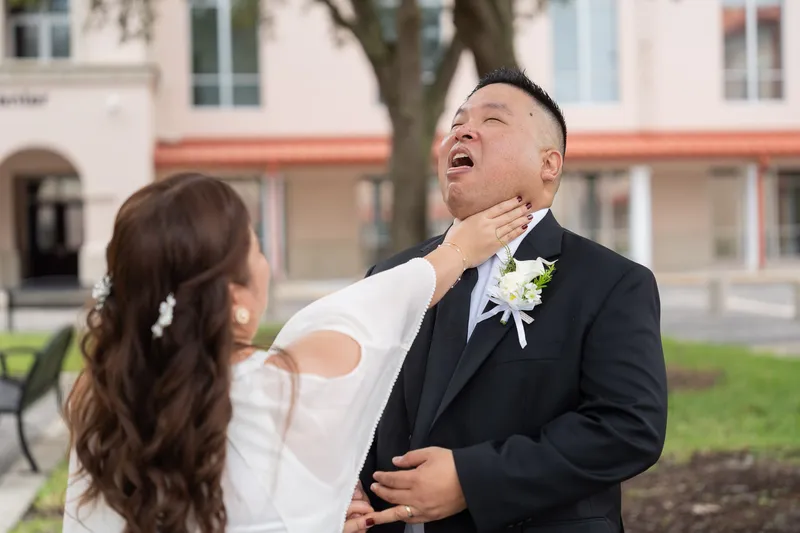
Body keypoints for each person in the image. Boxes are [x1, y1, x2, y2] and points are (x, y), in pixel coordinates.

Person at [61, 172, 534, 533]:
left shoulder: (98, 398)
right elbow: (367, 315)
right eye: (256, 249)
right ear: (235, 300)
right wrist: (454, 253)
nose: (265, 262)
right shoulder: (285, 392)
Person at [359, 67, 669, 533]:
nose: (462, 130)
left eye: (492, 121)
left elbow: (628, 428)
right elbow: (353, 413)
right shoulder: (392, 278)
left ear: (549, 164)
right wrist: (345, 490)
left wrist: (472, 479)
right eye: (458, 121)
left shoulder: (610, 283)